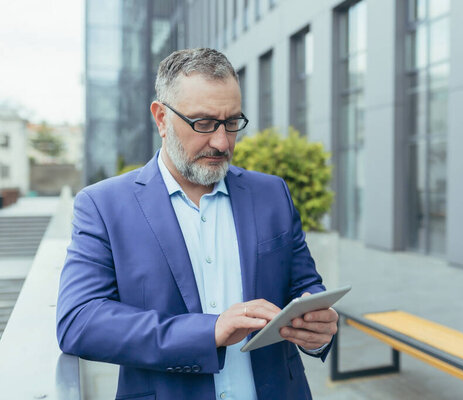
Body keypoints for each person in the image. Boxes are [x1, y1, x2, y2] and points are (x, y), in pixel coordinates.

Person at [56, 48, 338, 400]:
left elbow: (305, 286)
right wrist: (208, 332)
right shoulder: (103, 205)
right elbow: (79, 322)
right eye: (203, 124)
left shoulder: (272, 193)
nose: (222, 142)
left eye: (232, 122)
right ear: (161, 118)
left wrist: (317, 328)